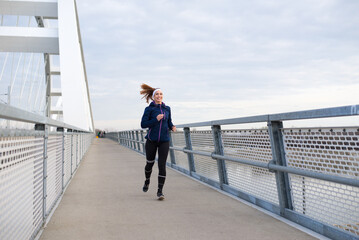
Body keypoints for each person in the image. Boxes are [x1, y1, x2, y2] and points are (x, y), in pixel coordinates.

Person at [140, 83, 176, 200]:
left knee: (162, 165)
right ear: (153, 96)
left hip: (164, 141)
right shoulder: (149, 109)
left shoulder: (167, 109)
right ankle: (147, 181)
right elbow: (143, 124)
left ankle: (160, 191)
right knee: (149, 163)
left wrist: (172, 126)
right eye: (157, 94)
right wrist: (156, 119)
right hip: (151, 140)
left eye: (161, 94)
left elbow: (169, 122)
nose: (159, 96)